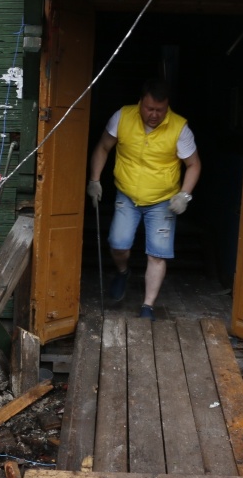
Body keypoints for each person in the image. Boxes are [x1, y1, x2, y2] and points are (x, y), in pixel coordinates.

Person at [86, 78, 201, 321]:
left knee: (157, 254)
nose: (154, 115)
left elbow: (193, 164)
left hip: (162, 201)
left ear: (167, 106)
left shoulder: (180, 128)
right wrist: (95, 180)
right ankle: (123, 271)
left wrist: (184, 195)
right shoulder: (123, 117)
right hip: (127, 195)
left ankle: (148, 306)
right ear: (141, 103)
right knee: (118, 243)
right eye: (149, 108)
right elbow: (103, 147)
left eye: (160, 110)